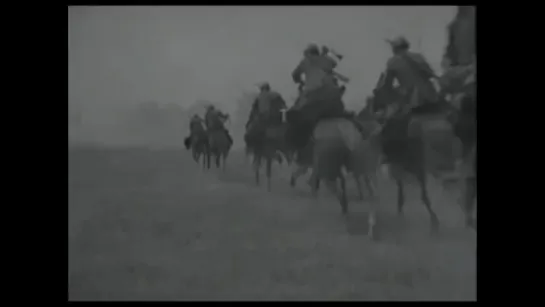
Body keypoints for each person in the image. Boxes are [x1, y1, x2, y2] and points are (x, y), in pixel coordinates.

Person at [286, 43, 358, 160]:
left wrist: (300, 81)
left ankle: (298, 148)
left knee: (295, 117)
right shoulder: (326, 61)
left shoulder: (306, 61)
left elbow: (295, 75)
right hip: (331, 96)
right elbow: (333, 65)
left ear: (309, 53)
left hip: (312, 96)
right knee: (345, 113)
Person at [381, 36, 440, 114]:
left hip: (412, 100)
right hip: (430, 97)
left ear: (395, 48)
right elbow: (430, 74)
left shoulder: (392, 62)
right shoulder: (418, 57)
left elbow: (388, 84)